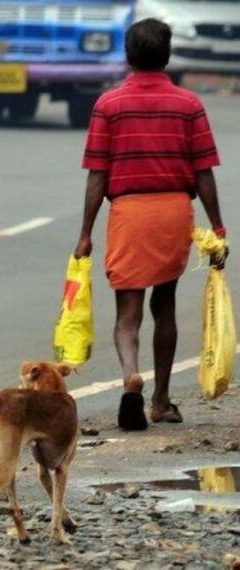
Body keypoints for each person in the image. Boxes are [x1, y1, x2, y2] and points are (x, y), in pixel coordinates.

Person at [74, 18, 226, 432]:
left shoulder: (108, 105)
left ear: (127, 55)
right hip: (174, 211)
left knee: (128, 313)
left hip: (129, 213)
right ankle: (160, 400)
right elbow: (204, 172)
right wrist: (218, 227)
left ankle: (130, 377)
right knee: (166, 305)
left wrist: (86, 232)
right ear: (168, 55)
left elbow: (97, 175)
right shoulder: (189, 105)